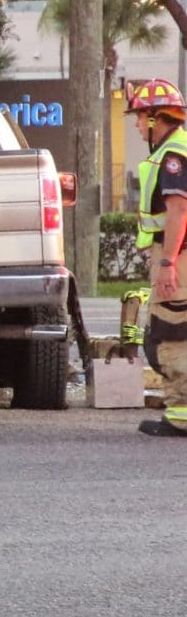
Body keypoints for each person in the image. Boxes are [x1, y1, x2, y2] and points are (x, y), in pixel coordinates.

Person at [128, 78, 187, 438]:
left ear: (155, 118)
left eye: (139, 117)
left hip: (177, 256)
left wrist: (166, 263)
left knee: (169, 334)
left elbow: (178, 211)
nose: (136, 124)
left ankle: (180, 412)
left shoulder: (173, 156)